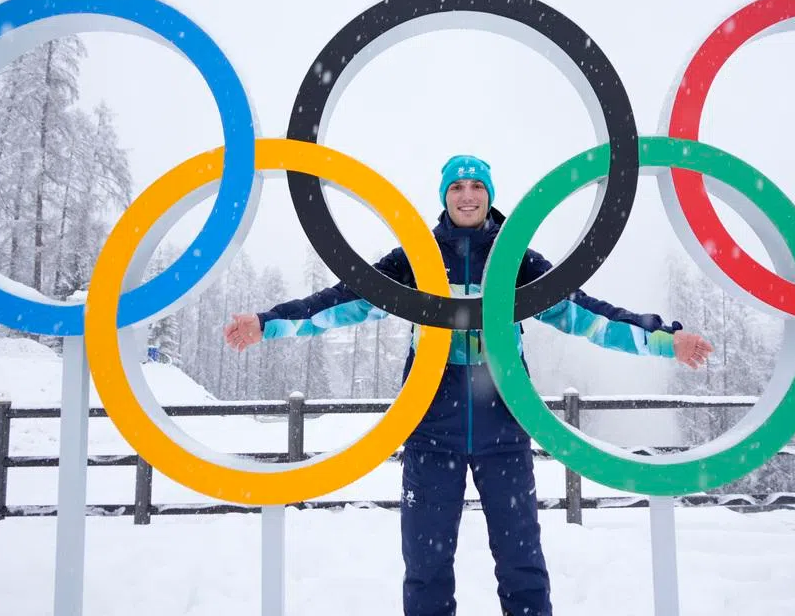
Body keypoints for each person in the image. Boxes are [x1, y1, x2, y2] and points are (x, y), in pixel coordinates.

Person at [224, 154, 713, 616]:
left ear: (489, 195)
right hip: (431, 428)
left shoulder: (515, 259)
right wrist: (268, 322)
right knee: (426, 566)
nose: (467, 195)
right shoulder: (417, 258)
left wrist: (666, 340)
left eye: (477, 185)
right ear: (444, 196)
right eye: (457, 186)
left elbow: (587, 314)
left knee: (521, 563)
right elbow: (340, 301)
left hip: (504, 428)